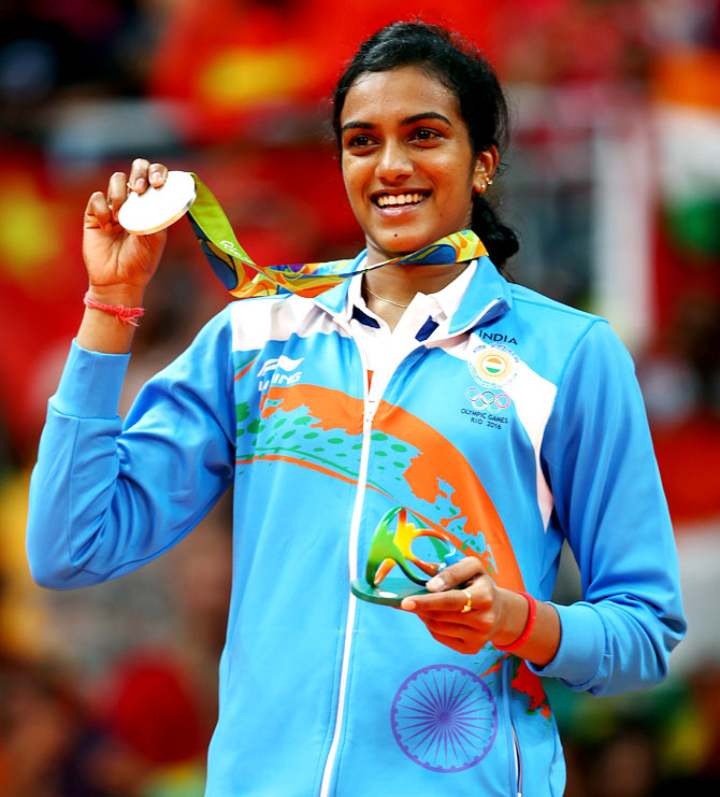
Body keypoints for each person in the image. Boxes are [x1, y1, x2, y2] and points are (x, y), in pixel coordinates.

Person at [27, 21, 685, 797]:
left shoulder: (566, 355)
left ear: (483, 164)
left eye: (425, 135)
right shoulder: (256, 335)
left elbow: (644, 631)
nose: (392, 165)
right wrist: (111, 302)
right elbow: (70, 545)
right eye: (362, 141)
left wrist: (515, 620)